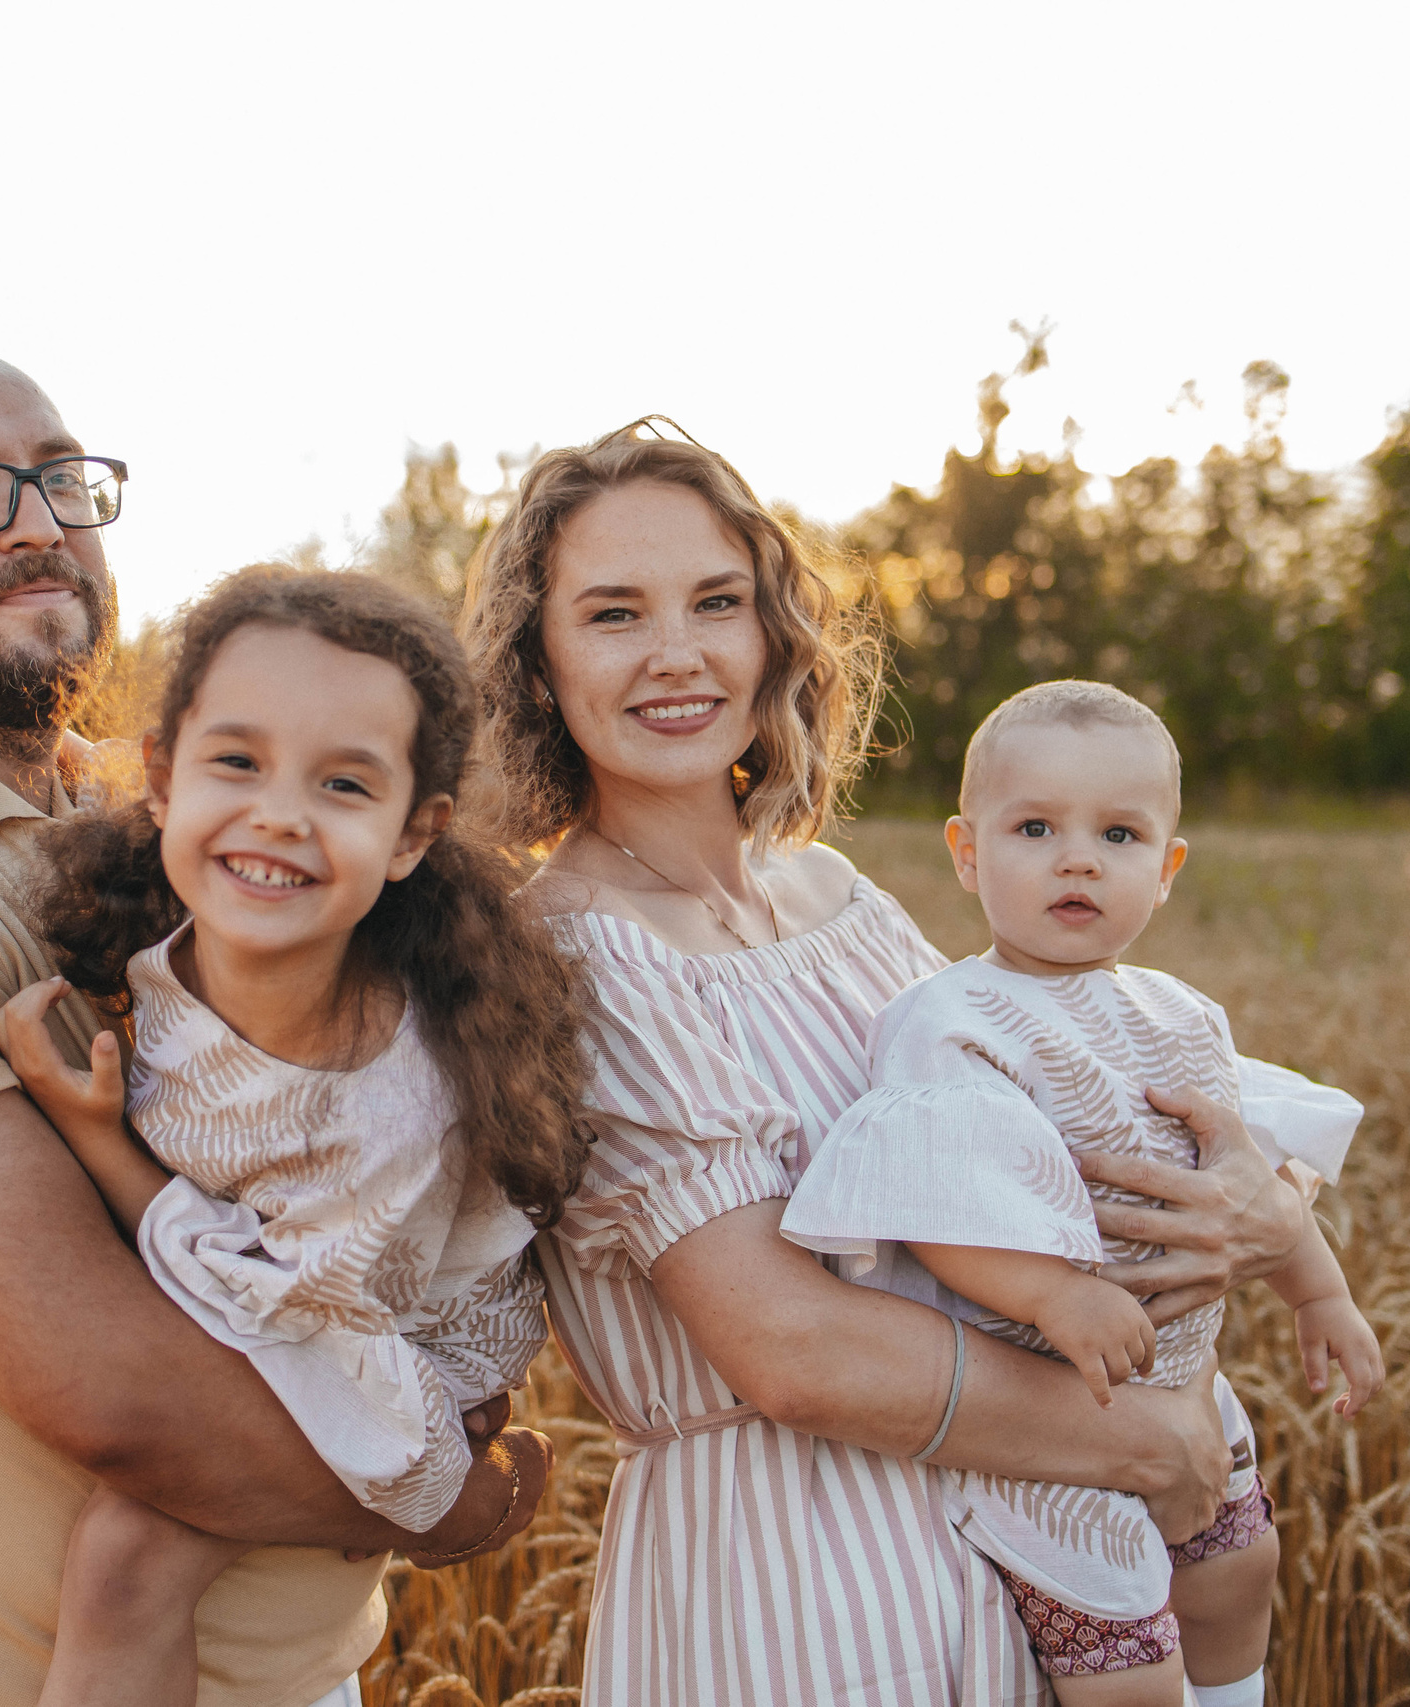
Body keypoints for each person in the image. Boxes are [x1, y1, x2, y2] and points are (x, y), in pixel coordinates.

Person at [0, 348, 549, 1705]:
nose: (35, 522)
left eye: (59, 479)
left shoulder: (158, 825)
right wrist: (448, 1497)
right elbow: (123, 1396)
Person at [454, 418, 1320, 1704]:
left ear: (771, 634)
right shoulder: (576, 959)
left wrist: (1263, 1208)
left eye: (717, 602)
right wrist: (1145, 1438)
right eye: (613, 615)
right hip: (796, 1585)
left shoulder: (840, 902)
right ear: (537, 662)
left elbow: (1034, 1130)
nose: (678, 653)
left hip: (1027, 1547)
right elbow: (791, 1349)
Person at [0, 566, 591, 1706]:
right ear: (159, 779)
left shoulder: (382, 1107)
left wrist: (98, 1140)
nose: (278, 811)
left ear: (413, 837)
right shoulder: (171, 931)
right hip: (280, 1276)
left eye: (343, 784)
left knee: (126, 1558)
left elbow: (267, 1303)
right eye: (237, 761)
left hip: (382, 1342)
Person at [781, 679, 1385, 1706]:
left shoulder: (1181, 1017)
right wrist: (1054, 1295)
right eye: (1034, 828)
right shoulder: (955, 1020)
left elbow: (1246, 1176)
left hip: (1188, 1385)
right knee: (1127, 1665)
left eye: (1118, 833)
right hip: (1054, 1413)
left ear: (1165, 871)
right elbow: (939, 1205)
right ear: (967, 853)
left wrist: (1318, 1295)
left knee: (1241, 1569)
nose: (1077, 858)